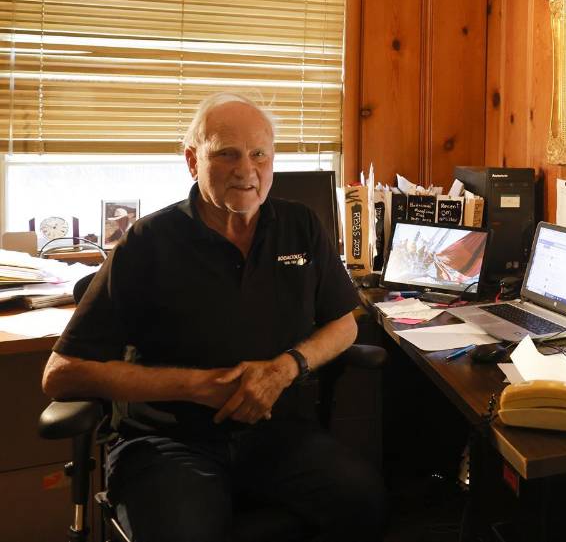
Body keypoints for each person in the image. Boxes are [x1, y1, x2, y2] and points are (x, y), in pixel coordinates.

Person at [42, 93, 387, 542]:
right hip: (170, 442)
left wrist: (286, 368)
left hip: (277, 434)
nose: (247, 170)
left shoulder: (299, 225)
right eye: (227, 154)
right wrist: (197, 386)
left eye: (259, 154)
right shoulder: (148, 242)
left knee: (366, 504)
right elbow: (62, 374)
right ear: (192, 161)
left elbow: (344, 324)